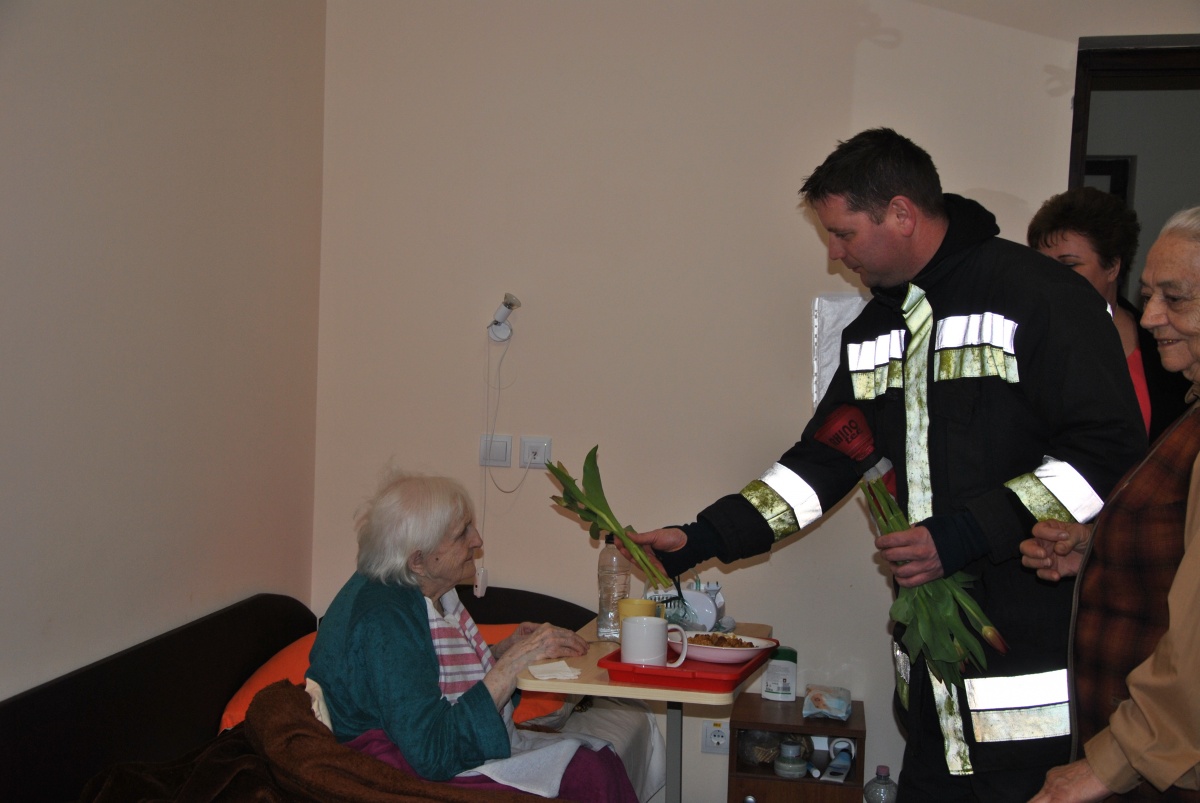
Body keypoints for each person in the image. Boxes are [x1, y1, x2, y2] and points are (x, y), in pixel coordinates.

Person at [624, 128, 1147, 802]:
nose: (835, 254)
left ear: (901, 213)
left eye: (843, 234)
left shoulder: (1040, 297)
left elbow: (1106, 455)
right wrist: (702, 537)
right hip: (931, 695)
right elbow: (822, 462)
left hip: (1029, 687)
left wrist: (965, 533)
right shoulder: (876, 329)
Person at [306, 469, 641, 802]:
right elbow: (431, 752)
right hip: (394, 762)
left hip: (413, 745)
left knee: (596, 759)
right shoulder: (384, 616)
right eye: (461, 533)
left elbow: (422, 673)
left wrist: (498, 653)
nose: (477, 540)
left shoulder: (413, 587)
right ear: (418, 560)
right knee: (589, 772)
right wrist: (510, 666)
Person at [1024, 209, 1200, 802]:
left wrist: (1109, 764)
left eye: (1176, 299)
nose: (1150, 317)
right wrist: (1101, 552)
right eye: (1148, 297)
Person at [1028, 186, 1190, 442]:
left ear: (1113, 266)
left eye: (1069, 265)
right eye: (1042, 265)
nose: (1051, 278)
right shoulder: (1025, 341)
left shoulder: (1168, 343)